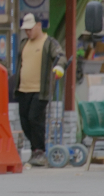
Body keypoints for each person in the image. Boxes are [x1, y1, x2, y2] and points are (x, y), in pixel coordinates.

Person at [14, 13, 67, 167]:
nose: (28, 32)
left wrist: (59, 66)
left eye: (30, 29)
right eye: (26, 29)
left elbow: (60, 56)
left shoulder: (48, 43)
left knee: (34, 118)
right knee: (24, 120)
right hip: (23, 89)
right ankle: (34, 149)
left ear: (38, 26)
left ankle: (40, 150)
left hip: (40, 90)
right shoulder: (24, 43)